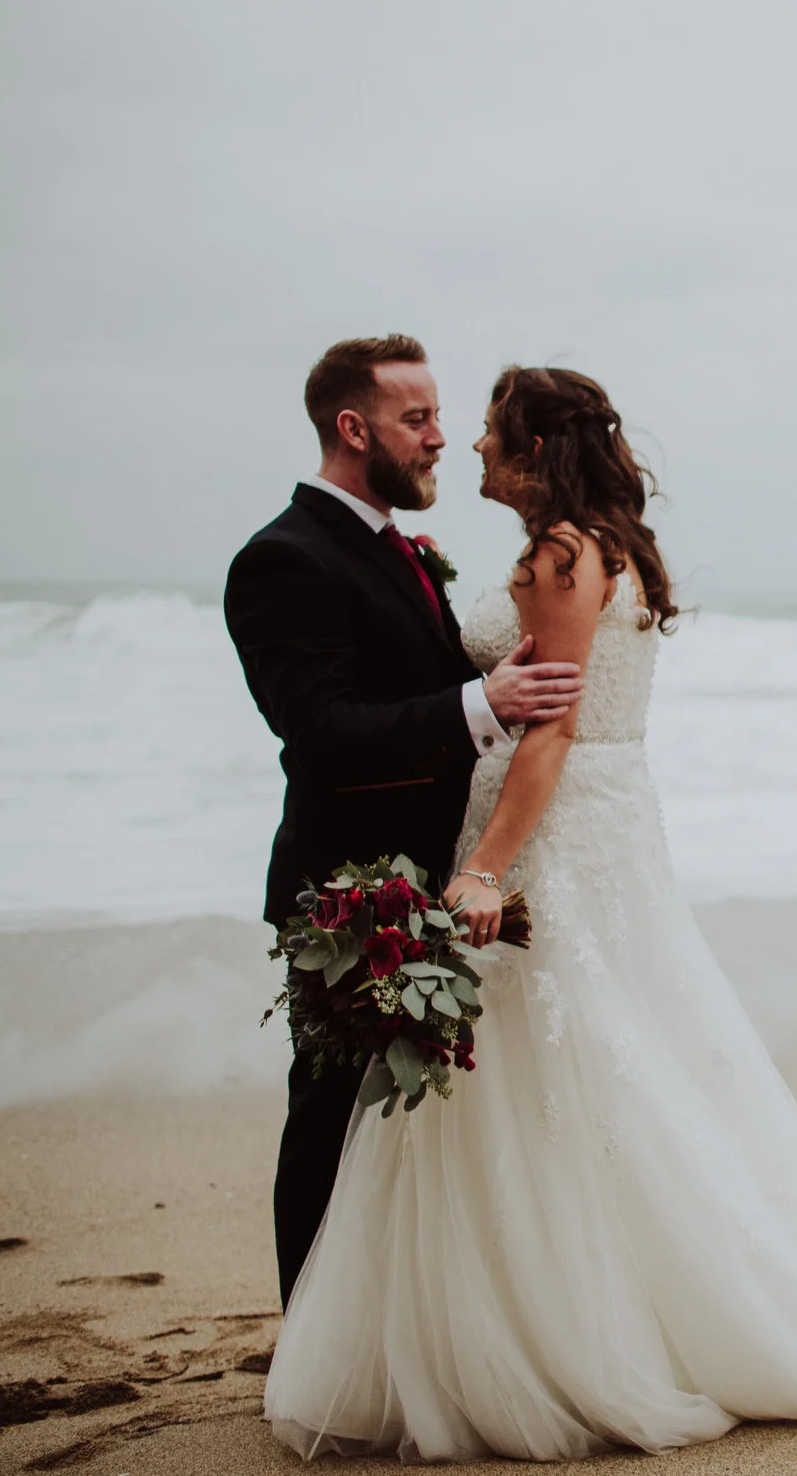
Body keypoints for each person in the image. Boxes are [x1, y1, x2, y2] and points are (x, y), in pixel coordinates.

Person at [262, 363, 797, 1460]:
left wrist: (486, 868)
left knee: (555, 1079)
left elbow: (554, 731)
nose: (470, 445)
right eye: (443, 422)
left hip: (552, 832)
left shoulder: (561, 555)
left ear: (534, 448)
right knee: (603, 1065)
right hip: (604, 828)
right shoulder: (600, 546)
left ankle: (570, 1335)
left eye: (488, 429)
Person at [225, 335, 584, 1308]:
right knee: (335, 1120)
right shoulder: (283, 559)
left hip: (430, 881)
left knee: (400, 1139)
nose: (439, 438)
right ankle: (311, 1337)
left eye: (438, 416)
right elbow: (321, 732)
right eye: (415, 418)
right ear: (354, 428)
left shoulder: (398, 549)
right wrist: (482, 704)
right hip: (349, 894)